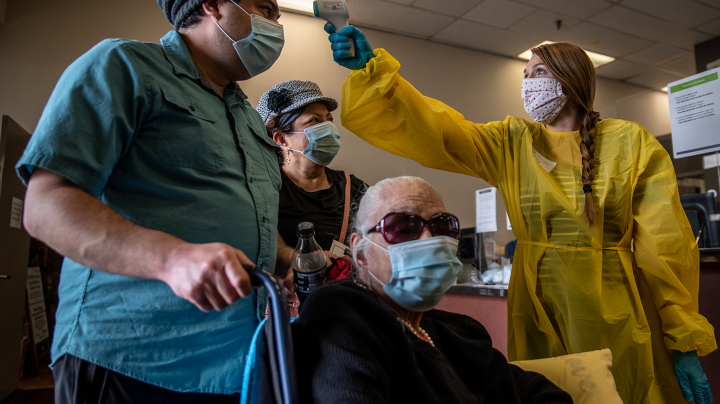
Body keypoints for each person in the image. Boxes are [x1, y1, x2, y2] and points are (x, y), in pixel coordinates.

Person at [323, 25, 717, 404]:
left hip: (614, 307)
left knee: (621, 391)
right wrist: (371, 72)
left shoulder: (632, 143)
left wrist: (682, 337)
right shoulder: (512, 141)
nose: (529, 82)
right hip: (535, 302)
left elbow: (664, 247)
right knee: (544, 390)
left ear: (572, 78)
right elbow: (436, 128)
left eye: (539, 71)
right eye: (526, 74)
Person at [16, 1, 287, 402]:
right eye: (265, 9)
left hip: (235, 369)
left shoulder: (249, 118)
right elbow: (46, 204)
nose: (277, 26)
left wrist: (302, 262)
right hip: (132, 359)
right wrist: (172, 259)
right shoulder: (124, 66)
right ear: (212, 5)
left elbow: (255, 225)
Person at [291, 176, 573, 403]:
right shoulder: (342, 312)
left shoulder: (460, 333)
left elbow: (544, 396)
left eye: (442, 226)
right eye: (402, 228)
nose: (429, 238)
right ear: (360, 253)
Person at [256, 80, 368, 278]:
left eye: (329, 119)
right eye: (314, 120)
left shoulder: (355, 189)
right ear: (281, 139)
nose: (328, 128)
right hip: (286, 304)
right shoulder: (265, 188)